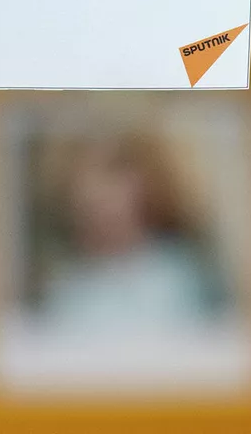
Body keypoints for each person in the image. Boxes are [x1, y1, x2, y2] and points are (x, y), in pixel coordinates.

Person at [22, 129, 231, 333]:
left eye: (113, 172)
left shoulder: (186, 278)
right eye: (81, 176)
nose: (94, 192)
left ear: (147, 180)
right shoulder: (62, 291)